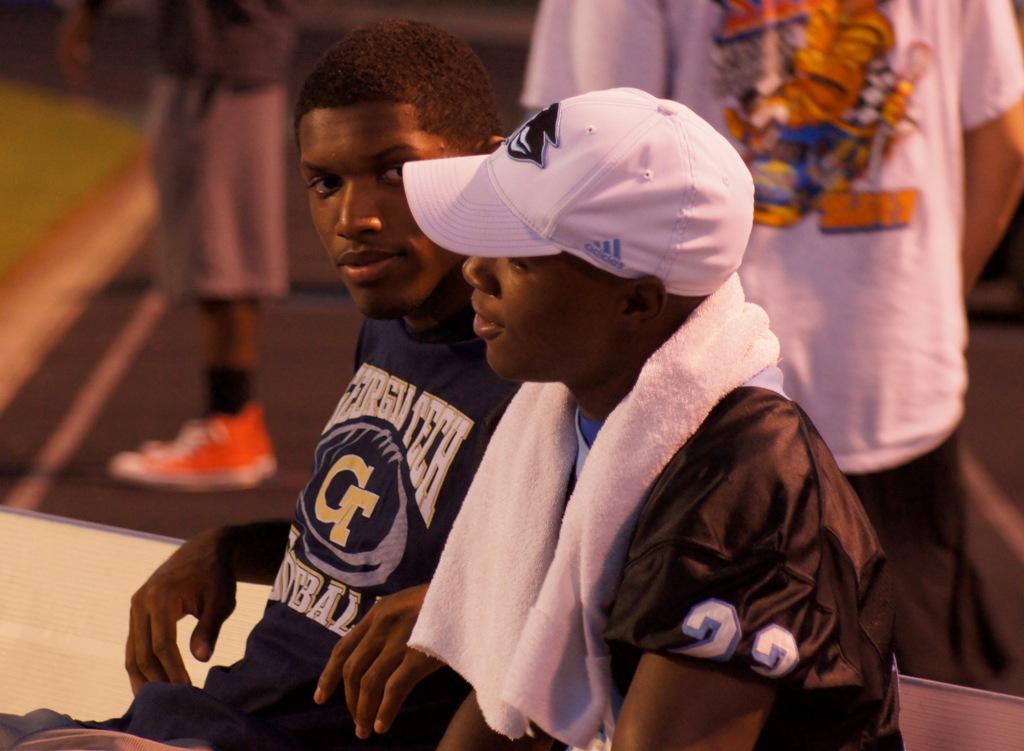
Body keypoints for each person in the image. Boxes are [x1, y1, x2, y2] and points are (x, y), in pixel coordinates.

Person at [1, 20, 514, 750]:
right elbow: (371, 553)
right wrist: (229, 545)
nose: (353, 218)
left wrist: (469, 613)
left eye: (395, 172)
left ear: (489, 165)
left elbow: (612, 598)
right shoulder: (395, 320)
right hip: (182, 723)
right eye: (325, 182)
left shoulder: (539, 365)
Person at [521, 0, 1024, 687]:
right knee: (917, 703)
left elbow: (588, 164)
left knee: (683, 703)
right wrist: (929, 299)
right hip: (894, 379)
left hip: (705, 401)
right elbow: (1006, 137)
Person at [402, 86, 901, 751]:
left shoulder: (749, 485)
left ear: (637, 304)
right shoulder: (558, 420)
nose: (473, 270)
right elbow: (507, 708)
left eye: (518, 259)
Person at [57, 0, 296, 491]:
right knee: (218, 251)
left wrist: (87, 12)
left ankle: (231, 430)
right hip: (221, 62)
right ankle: (232, 422)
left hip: (222, 67)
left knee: (221, 253)